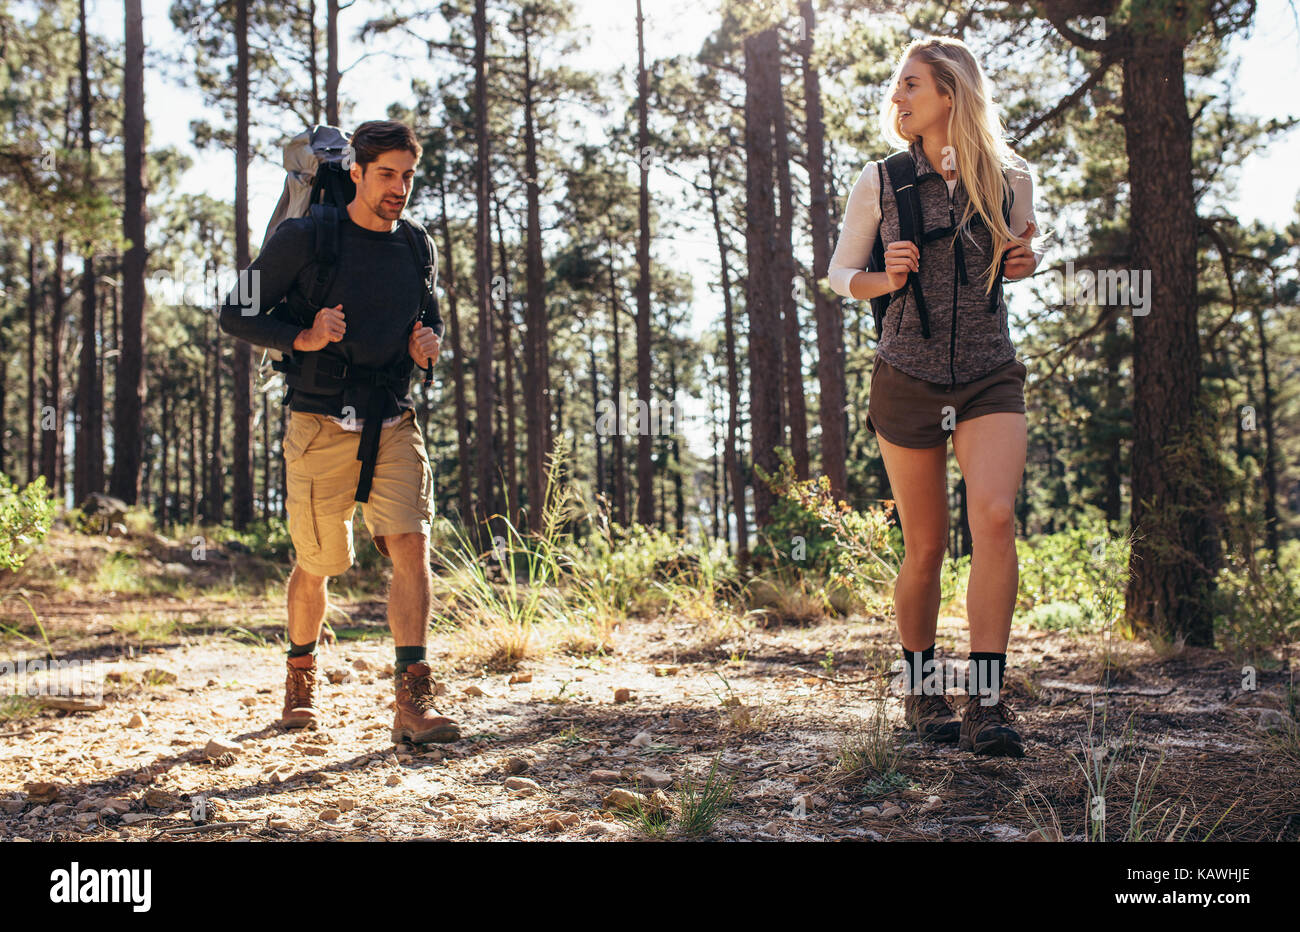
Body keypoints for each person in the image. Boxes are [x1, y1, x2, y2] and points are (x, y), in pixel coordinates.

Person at [827, 37, 1045, 757]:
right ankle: (923, 692)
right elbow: (840, 277)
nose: (898, 97)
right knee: (925, 547)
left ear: (950, 92)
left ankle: (987, 702)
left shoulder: (1012, 179)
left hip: (989, 373)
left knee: (996, 516)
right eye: (899, 86)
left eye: (911, 85)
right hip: (907, 377)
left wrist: (1023, 259)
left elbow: (1016, 257)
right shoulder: (881, 181)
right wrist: (883, 278)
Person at [218, 120, 460, 745]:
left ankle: (411, 702)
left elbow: (424, 317)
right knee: (317, 563)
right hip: (319, 422)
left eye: (408, 176)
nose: (398, 188)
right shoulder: (307, 238)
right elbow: (234, 313)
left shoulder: (415, 246)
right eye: (386, 174)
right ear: (355, 172)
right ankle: (301, 678)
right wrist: (302, 335)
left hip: (393, 419)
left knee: (411, 544)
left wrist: (427, 344)